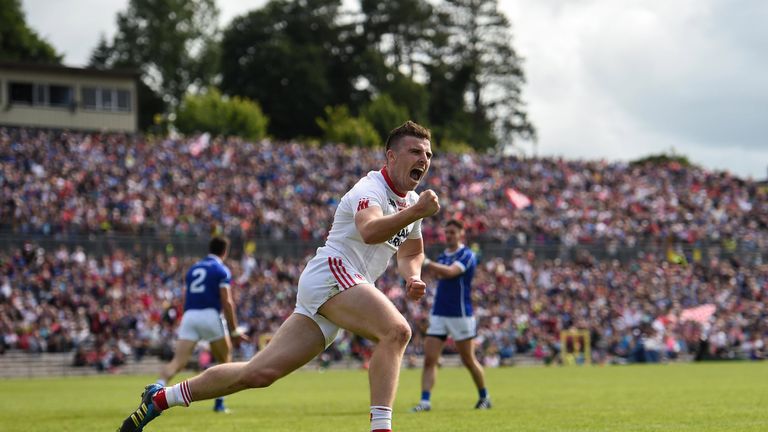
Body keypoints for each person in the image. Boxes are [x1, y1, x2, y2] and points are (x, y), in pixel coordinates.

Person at [117, 120, 440, 432]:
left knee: (258, 374)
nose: (423, 160)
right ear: (391, 156)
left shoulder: (412, 201)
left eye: (427, 154)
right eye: (415, 152)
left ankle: (160, 398)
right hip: (333, 273)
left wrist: (412, 276)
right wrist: (413, 213)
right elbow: (369, 231)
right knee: (396, 331)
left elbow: (411, 252)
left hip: (345, 286)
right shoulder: (370, 188)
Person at [157, 236, 247, 413]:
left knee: (177, 362)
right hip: (210, 314)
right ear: (225, 251)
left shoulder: (193, 269)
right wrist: (234, 330)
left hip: (190, 315)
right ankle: (219, 404)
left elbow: (188, 296)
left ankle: (155, 389)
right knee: (225, 361)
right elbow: (227, 302)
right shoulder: (221, 270)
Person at [411, 219, 490, 412]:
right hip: (439, 313)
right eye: (446, 233)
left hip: (460, 314)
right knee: (430, 359)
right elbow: (439, 274)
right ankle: (425, 401)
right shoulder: (443, 256)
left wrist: (427, 262)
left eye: (453, 232)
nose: (449, 236)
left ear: (461, 234)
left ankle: (484, 397)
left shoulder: (467, 255)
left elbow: (450, 273)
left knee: (468, 360)